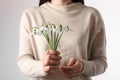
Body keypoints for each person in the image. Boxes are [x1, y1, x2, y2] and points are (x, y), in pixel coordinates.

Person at [17, 0, 107, 80]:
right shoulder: (31, 15)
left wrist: (83, 66)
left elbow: (101, 63)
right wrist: (41, 66)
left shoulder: (92, 15)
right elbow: (23, 61)